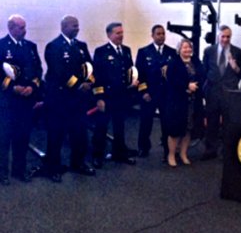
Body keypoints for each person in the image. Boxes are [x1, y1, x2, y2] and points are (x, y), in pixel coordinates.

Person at [44, 15, 96, 182]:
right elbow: (58, 71)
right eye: (74, 25)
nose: (77, 28)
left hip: (78, 100)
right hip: (60, 99)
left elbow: (89, 66)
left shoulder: (81, 46)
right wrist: (78, 85)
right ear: (64, 26)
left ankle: (78, 163)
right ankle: (53, 167)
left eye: (78, 25)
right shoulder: (53, 46)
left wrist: (89, 81)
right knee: (56, 134)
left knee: (79, 133)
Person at [0, 14, 43, 185]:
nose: (24, 31)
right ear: (11, 28)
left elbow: (38, 70)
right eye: (20, 27)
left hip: (26, 100)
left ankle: (19, 170)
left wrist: (32, 86)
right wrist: (13, 88)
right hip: (8, 101)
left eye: (25, 27)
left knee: (23, 137)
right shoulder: (1, 45)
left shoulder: (30, 47)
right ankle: (2, 173)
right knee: (4, 138)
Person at [91, 22, 137, 167]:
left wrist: (132, 83)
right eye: (118, 33)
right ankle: (98, 155)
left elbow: (128, 70)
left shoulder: (126, 50)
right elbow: (96, 76)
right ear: (109, 34)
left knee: (120, 125)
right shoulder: (101, 51)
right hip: (107, 96)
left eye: (122, 33)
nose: (121, 36)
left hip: (122, 95)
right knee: (101, 126)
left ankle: (119, 153)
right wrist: (99, 98)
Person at [201, 25, 241, 160]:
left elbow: (240, 73)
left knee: (228, 124)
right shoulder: (209, 51)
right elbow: (205, 71)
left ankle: (227, 151)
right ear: (218, 36)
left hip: (229, 93)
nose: (225, 39)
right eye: (223, 36)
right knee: (212, 123)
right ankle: (210, 150)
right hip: (212, 92)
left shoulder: (238, 52)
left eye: (228, 37)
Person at [136, 24, 177, 160]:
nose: (161, 36)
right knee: (146, 122)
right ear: (152, 35)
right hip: (149, 94)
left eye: (163, 34)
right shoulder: (144, 52)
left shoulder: (172, 52)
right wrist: (144, 92)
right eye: (158, 34)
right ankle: (143, 147)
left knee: (166, 123)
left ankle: (167, 150)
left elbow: (174, 74)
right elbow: (139, 75)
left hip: (166, 95)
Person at [162, 39, 204, 167]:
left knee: (188, 129)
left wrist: (197, 86)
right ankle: (171, 155)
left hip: (193, 102)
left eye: (189, 48)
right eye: (184, 48)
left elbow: (202, 76)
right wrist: (187, 86)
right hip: (178, 102)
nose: (187, 50)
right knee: (175, 130)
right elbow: (172, 81)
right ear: (179, 49)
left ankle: (183, 154)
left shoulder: (196, 61)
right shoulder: (173, 63)